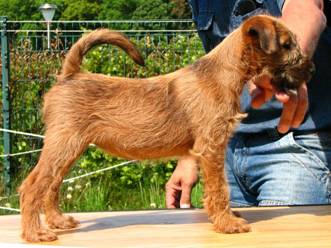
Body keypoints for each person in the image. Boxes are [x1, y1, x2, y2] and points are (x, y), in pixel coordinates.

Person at [166, 0, 331, 208]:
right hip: (228, 152)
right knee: (225, 240)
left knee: (281, 241)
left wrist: (282, 65)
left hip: (292, 150)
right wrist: (189, 154)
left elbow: (305, 10)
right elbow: (214, 81)